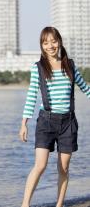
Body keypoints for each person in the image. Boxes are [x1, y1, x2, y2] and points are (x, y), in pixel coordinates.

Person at [19, 27, 90, 207]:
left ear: (59, 42)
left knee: (63, 168)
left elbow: (86, 88)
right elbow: (31, 95)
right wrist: (24, 123)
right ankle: (25, 204)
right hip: (46, 121)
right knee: (40, 165)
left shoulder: (70, 66)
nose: (50, 46)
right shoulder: (39, 68)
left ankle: (59, 204)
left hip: (68, 122)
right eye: (45, 42)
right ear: (42, 46)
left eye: (53, 41)